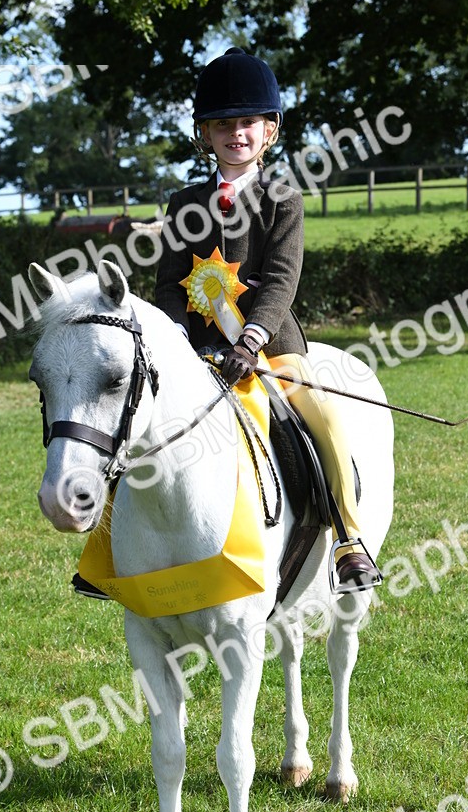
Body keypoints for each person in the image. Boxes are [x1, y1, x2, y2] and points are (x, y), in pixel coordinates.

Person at [155, 47, 381, 592]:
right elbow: (166, 286)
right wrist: (177, 343)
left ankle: (349, 539)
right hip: (197, 353)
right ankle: (110, 548)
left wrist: (250, 339)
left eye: (248, 122)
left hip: (271, 347)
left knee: (322, 419)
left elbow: (281, 280)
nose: (237, 133)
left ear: (269, 130)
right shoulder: (183, 203)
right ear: (204, 134)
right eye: (225, 124)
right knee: (136, 422)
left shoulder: (283, 198)